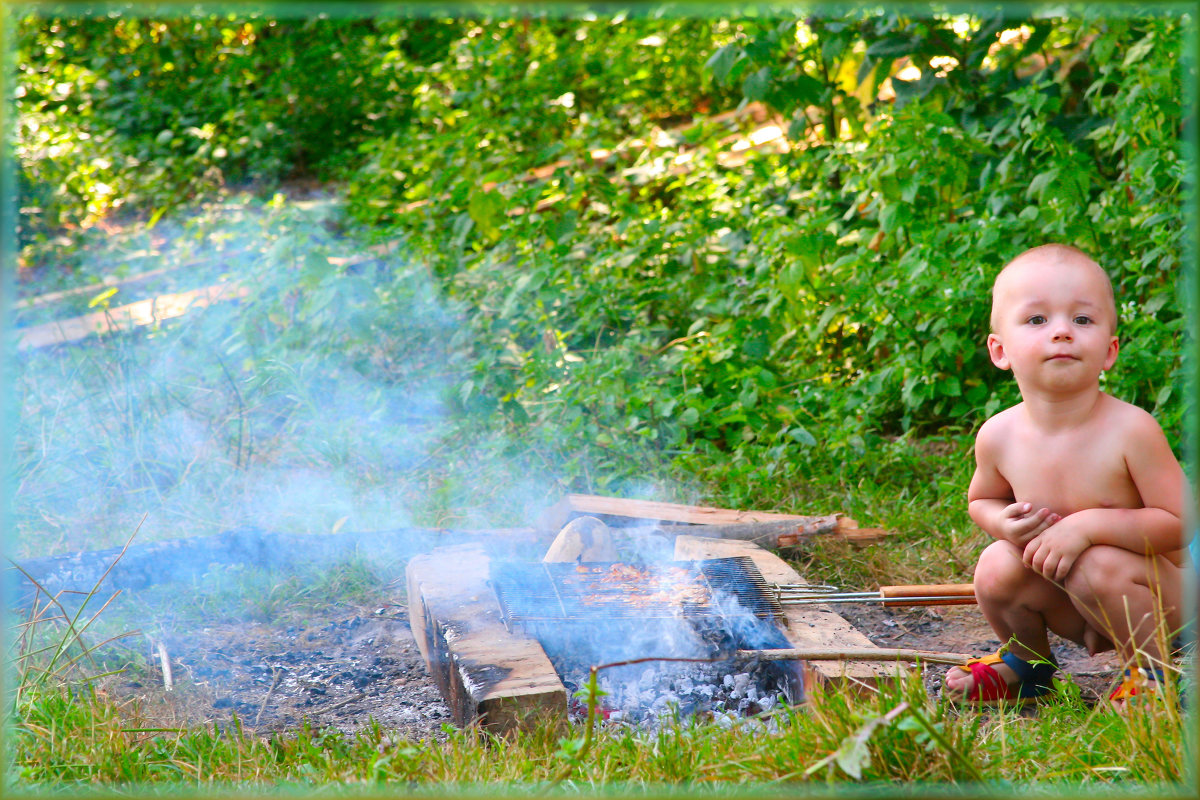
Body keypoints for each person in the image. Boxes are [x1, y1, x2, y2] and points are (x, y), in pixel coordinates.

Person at [944, 243, 1189, 705]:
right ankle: (1028, 665)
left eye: (1082, 319)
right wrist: (1002, 524)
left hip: (1158, 599)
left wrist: (1085, 527)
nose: (1062, 332)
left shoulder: (1130, 430)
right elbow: (982, 500)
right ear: (1000, 350)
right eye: (1037, 320)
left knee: (1097, 564)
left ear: (1110, 350)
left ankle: (1152, 677)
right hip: (1067, 593)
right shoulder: (999, 435)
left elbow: (1180, 522)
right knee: (996, 564)